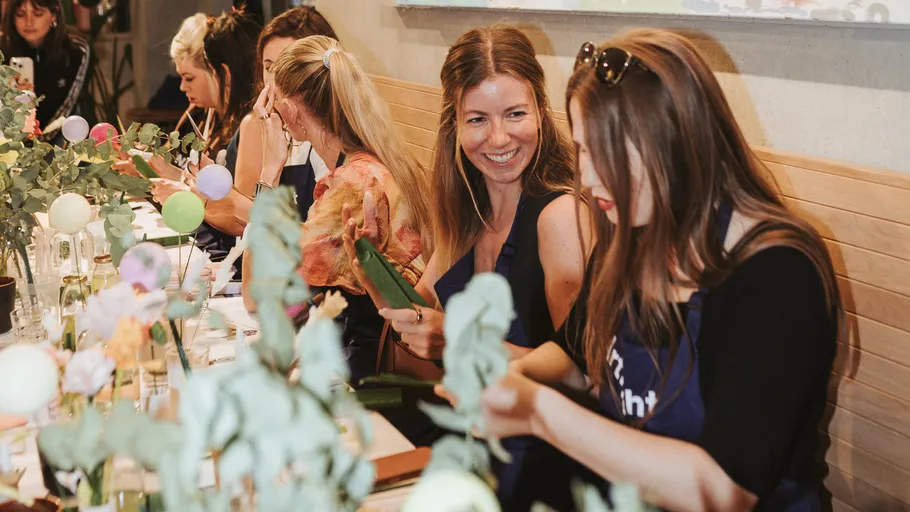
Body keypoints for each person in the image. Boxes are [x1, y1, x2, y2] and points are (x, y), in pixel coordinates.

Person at [480, 29, 841, 511]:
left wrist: (540, 412)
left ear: (678, 142)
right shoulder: (632, 230)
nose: (587, 177)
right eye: (584, 149)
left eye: (608, 154)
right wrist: (512, 377)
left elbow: (723, 490)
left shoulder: (777, 274)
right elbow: (577, 355)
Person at [344, 25, 590, 511]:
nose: (498, 138)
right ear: (454, 123)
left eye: (515, 114)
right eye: (478, 118)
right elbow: (420, 331)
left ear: (541, 111)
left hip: (536, 469)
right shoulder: (465, 208)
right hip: (460, 446)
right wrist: (379, 272)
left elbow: (581, 374)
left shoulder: (560, 216)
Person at [244, 35, 433, 385]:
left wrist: (269, 173)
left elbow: (256, 294)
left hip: (371, 377)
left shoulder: (353, 184)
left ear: (289, 112)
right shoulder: (377, 164)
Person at [148, 10, 261, 264]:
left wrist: (183, 191)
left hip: (225, 255)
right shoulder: (201, 114)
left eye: (189, 77)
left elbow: (240, 218)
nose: (182, 87)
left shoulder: (251, 127)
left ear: (221, 73)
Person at [226, 6, 337, 220]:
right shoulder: (265, 124)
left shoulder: (333, 142)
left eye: (288, 69)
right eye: (269, 68)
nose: (275, 81)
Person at [0, 0, 88, 142]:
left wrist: (37, 144)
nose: (29, 22)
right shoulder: (3, 49)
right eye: (20, 14)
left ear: (53, 15)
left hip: (59, 134)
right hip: (12, 138)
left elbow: (66, 108)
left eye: (38, 14)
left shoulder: (75, 50)